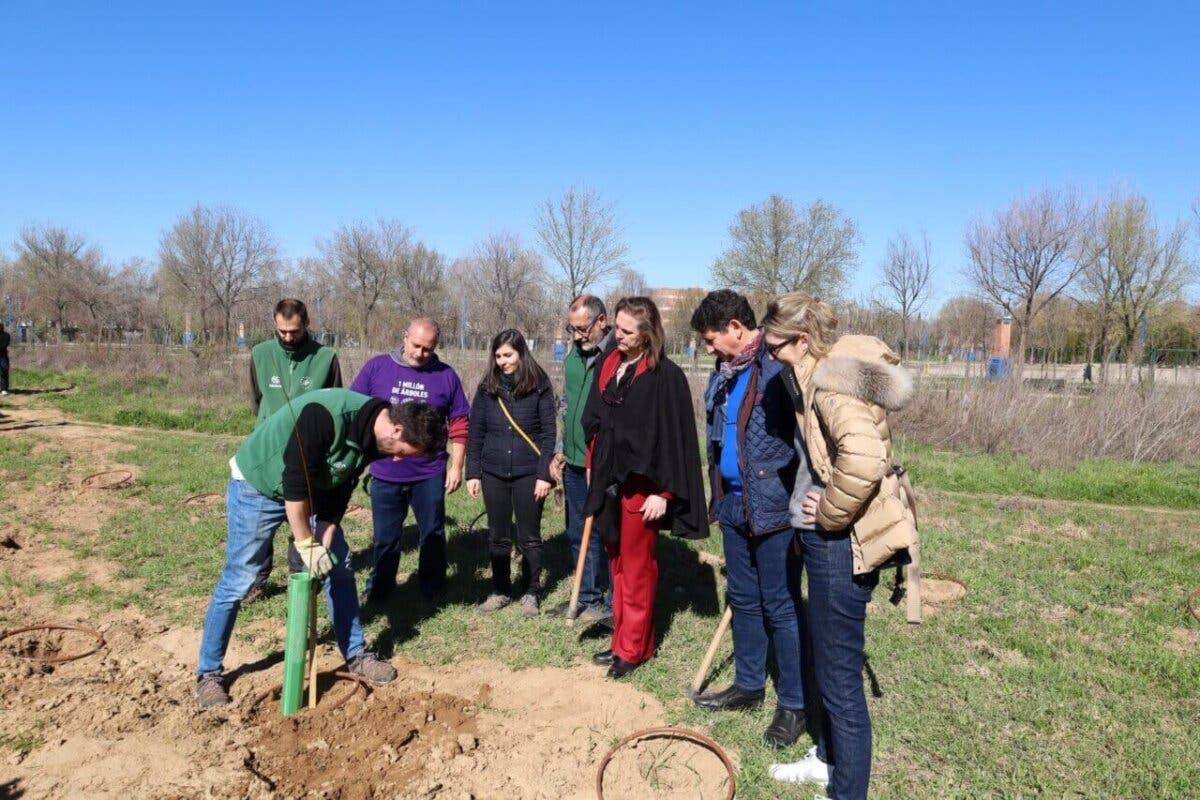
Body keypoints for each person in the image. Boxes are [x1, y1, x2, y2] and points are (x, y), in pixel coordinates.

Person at [194, 389, 446, 709]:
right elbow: (294, 483)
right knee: (241, 577)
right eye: (403, 451)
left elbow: (345, 480)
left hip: (310, 490)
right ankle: (208, 673)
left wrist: (327, 526)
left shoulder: (377, 436)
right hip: (258, 485)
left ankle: (355, 654)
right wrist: (304, 542)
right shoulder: (324, 416)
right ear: (397, 429)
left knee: (339, 567)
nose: (398, 459)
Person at [761, 294, 917, 800]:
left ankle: (846, 791)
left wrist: (827, 510)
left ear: (802, 342)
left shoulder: (830, 386)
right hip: (830, 542)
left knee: (840, 683)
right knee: (831, 668)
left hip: (840, 546)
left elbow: (866, 460)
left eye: (775, 344)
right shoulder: (817, 374)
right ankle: (828, 760)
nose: (768, 352)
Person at [688, 290, 806, 749]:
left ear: (736, 327)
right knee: (743, 596)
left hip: (774, 508)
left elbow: (805, 440)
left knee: (781, 604)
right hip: (735, 505)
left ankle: (794, 704)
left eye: (711, 338)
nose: (709, 348)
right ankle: (749, 685)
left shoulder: (780, 370)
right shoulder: (725, 374)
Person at [582, 296, 707, 679]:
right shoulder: (610, 365)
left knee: (637, 569)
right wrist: (593, 469)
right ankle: (621, 639)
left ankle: (634, 649)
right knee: (616, 564)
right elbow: (596, 424)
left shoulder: (664, 376)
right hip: (608, 483)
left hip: (643, 489)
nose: (615, 336)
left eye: (625, 331)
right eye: (615, 328)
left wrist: (664, 493)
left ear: (647, 333)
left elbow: (675, 439)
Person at [353, 318, 469, 605]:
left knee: (432, 533)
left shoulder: (446, 376)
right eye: (416, 345)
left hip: (428, 472)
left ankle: (432, 586)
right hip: (385, 470)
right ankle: (379, 586)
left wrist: (456, 465)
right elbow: (354, 409)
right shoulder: (377, 368)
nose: (420, 353)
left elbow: (459, 423)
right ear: (404, 337)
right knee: (386, 537)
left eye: (428, 349)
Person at [243, 299, 344, 602]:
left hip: (306, 453)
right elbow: (256, 399)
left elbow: (334, 400)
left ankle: (300, 575)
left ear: (307, 324)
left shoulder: (326, 357)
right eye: (282, 331)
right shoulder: (260, 354)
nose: (288, 337)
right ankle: (257, 580)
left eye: (294, 331)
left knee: (301, 516)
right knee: (259, 524)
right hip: (267, 452)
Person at [466, 330, 556, 616]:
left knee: (529, 535)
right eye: (498, 356)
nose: (502, 361)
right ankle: (501, 589)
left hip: (530, 471)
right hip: (493, 471)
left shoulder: (539, 385)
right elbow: (476, 431)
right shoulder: (487, 388)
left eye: (508, 355)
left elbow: (548, 432)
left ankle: (531, 591)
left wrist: (544, 474)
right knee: (498, 534)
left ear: (521, 354)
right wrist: (473, 473)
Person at [547, 295, 615, 624]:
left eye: (583, 329)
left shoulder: (618, 355)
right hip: (574, 460)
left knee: (609, 533)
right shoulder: (574, 356)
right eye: (571, 328)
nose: (576, 336)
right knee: (577, 531)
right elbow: (566, 403)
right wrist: (561, 447)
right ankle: (586, 596)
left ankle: (615, 606)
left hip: (604, 464)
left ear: (602, 321)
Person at [0, 322, 10, 395]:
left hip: (2, 356)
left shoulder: (6, 335)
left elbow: (4, 345)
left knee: (3, 371)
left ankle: (4, 389)